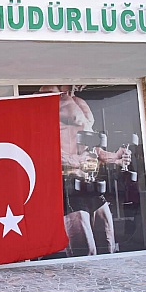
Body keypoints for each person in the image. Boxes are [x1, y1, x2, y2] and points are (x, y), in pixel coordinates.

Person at [39, 85, 130, 256]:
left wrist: (115, 157)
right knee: (85, 251)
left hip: (90, 184)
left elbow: (92, 148)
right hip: (68, 186)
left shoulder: (79, 102)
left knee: (107, 245)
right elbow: (40, 146)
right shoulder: (48, 94)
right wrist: (76, 162)